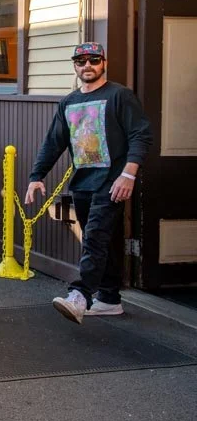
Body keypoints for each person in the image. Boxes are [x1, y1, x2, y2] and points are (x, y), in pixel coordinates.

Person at [26, 42, 152, 324]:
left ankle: (80, 295)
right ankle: (108, 299)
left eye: (94, 60)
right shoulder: (69, 102)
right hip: (82, 182)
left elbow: (140, 136)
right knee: (103, 240)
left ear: (103, 63)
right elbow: (53, 143)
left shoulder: (120, 96)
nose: (87, 66)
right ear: (75, 66)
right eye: (81, 61)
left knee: (94, 237)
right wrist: (36, 177)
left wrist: (128, 174)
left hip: (112, 182)